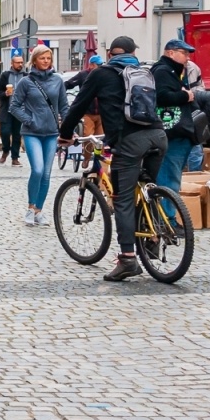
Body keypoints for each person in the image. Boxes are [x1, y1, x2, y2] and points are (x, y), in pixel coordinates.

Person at [60, 36, 167, 282]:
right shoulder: (144, 71)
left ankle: (128, 258)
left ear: (109, 54)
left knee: (123, 199)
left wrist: (65, 135)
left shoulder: (100, 74)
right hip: (158, 136)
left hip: (129, 141)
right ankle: (152, 237)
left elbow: (78, 106)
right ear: (133, 52)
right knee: (147, 186)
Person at [10, 44, 68, 226]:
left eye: (48, 58)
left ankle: (39, 210)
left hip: (51, 132)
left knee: (47, 174)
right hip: (32, 132)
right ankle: (30, 207)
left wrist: (68, 127)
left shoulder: (57, 80)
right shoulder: (26, 82)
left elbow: (64, 107)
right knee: (37, 170)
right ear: (34, 60)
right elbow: (14, 106)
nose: (46, 61)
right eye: (42, 58)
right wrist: (29, 120)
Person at [151, 38, 198, 192]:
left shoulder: (170, 70)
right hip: (172, 132)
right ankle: (167, 216)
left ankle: (165, 213)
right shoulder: (163, 71)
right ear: (171, 53)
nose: (188, 57)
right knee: (169, 178)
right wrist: (186, 96)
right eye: (184, 53)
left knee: (171, 176)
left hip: (174, 131)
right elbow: (162, 96)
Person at [0, 52, 26, 166]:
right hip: (7, 108)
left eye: (21, 62)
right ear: (12, 63)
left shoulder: (26, 76)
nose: (20, 64)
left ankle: (15, 157)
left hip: (20, 109)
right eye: (18, 62)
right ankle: (6, 149)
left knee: (17, 134)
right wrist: (5, 94)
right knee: (5, 132)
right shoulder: (5, 75)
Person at [66, 55, 103, 137]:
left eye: (102, 65)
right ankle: (88, 150)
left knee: (100, 139)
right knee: (88, 137)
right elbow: (68, 84)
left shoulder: (103, 74)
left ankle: (98, 150)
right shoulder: (83, 75)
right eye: (99, 65)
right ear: (91, 65)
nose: (101, 67)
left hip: (101, 113)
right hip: (87, 112)